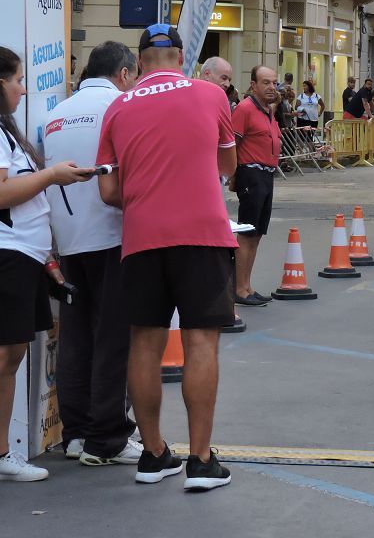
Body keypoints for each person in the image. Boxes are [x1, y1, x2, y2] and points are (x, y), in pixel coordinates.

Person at [97, 24, 237, 490]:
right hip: (202, 235)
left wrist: (145, 198)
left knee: (144, 343)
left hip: (142, 238)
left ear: (138, 64)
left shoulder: (117, 107)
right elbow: (228, 166)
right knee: (200, 342)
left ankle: (153, 454)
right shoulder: (211, 94)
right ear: (181, 57)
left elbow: (108, 189)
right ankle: (200, 461)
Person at [44, 41, 142, 468]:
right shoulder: (122, 106)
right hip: (112, 233)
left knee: (77, 335)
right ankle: (109, 438)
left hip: (67, 239)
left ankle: (77, 433)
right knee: (113, 337)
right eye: (135, 75)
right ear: (123, 74)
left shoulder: (55, 115)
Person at [0, 47, 93, 482]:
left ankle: (2, 454)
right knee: (6, 355)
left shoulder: (8, 132)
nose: (23, 88)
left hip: (26, 256)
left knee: (12, 356)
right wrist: (52, 175)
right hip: (9, 255)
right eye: (17, 79)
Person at [231, 66, 281, 308]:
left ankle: (247, 286)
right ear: (253, 85)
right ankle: (239, 289)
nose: (271, 87)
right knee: (247, 234)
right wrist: (233, 177)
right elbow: (232, 145)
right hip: (251, 174)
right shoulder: (245, 109)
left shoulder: (268, 111)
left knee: (257, 234)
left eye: (274, 83)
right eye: (265, 83)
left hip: (267, 175)